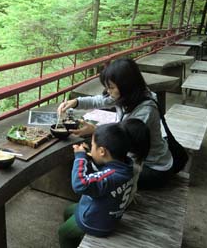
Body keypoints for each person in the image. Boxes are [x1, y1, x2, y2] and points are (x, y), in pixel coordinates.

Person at [57, 58, 173, 189]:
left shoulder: (145, 110)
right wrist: (76, 102)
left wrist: (94, 130)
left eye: (111, 87)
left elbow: (121, 142)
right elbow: (100, 100)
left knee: (96, 172)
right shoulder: (129, 95)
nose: (108, 91)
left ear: (126, 85)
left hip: (152, 167)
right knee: (95, 155)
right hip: (136, 155)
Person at [58, 120, 150, 248]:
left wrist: (80, 157)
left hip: (95, 222)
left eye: (92, 145)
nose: (91, 148)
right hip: (108, 212)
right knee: (69, 211)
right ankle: (78, 239)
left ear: (102, 151)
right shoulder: (127, 167)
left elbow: (79, 184)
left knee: (63, 233)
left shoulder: (110, 177)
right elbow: (104, 173)